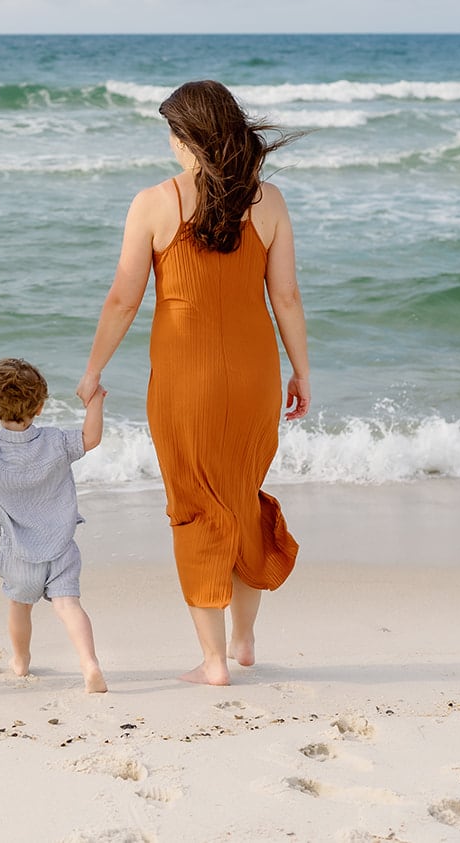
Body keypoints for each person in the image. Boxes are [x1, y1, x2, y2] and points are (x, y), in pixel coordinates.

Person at [76, 80, 310, 687]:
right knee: (242, 495)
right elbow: (284, 296)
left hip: (185, 378)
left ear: (188, 139)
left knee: (195, 504)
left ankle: (212, 662)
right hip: (257, 371)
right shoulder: (272, 203)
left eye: (173, 136)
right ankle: (245, 639)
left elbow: (124, 298)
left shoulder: (154, 203)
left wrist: (94, 368)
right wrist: (301, 370)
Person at [0, 358, 108, 694]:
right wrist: (96, 400)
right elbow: (90, 438)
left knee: (19, 606)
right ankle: (89, 662)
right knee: (68, 605)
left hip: (18, 553)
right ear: (41, 407)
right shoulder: (56, 441)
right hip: (60, 547)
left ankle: (21, 661)